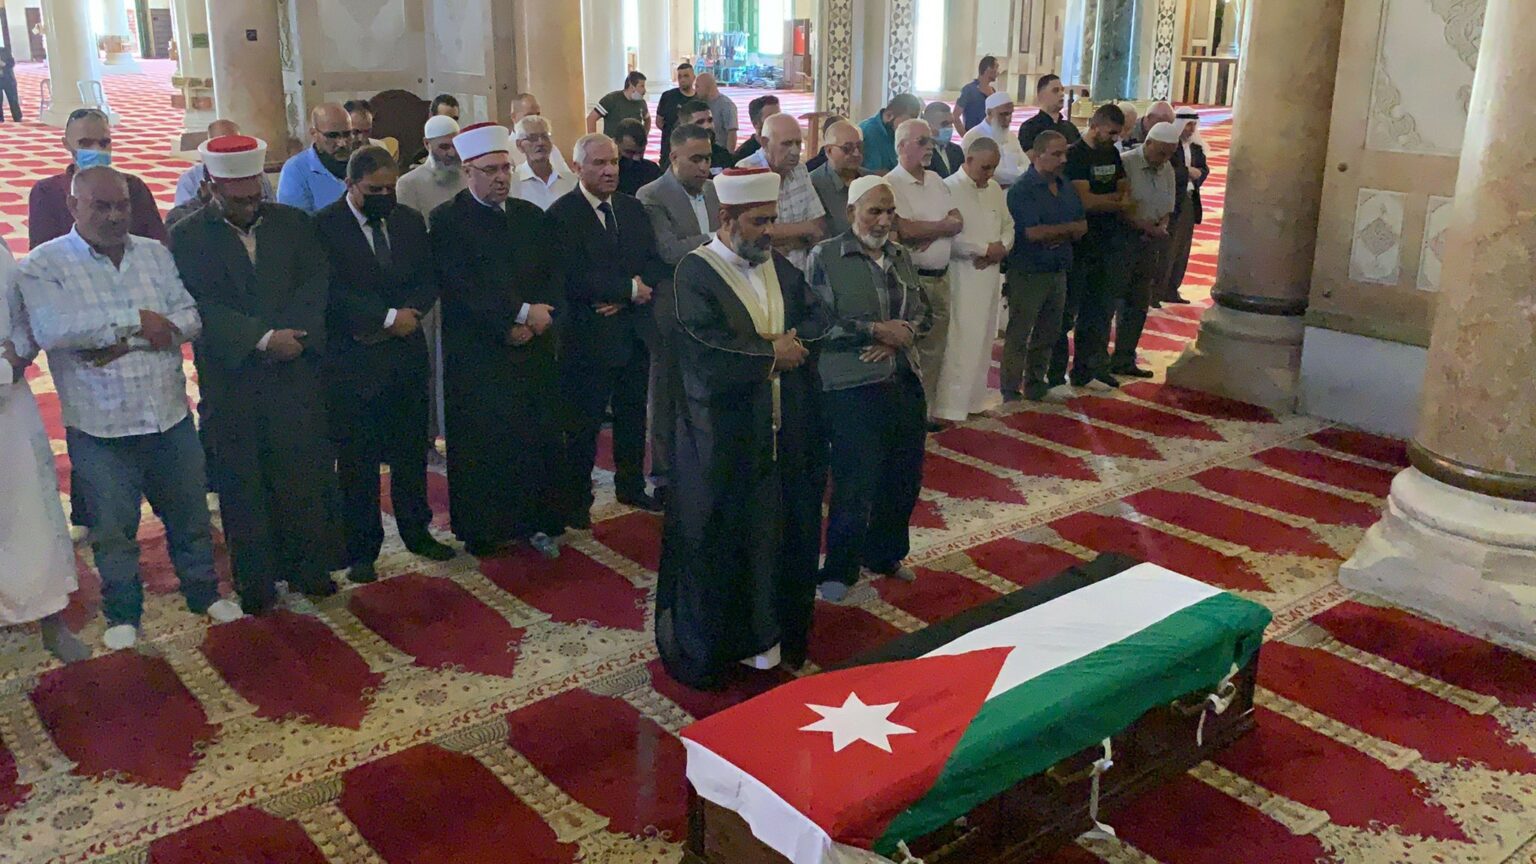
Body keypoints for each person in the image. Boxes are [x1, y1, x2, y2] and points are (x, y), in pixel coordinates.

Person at [19, 167, 237, 650]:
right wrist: (139, 322)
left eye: (122, 205)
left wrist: (116, 341)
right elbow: (56, 330)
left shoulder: (154, 254)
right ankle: (123, 612)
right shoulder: (45, 264)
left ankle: (204, 592)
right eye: (102, 206)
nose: (115, 216)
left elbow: (190, 319)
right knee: (113, 530)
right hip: (101, 426)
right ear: (74, 206)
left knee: (190, 516)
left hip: (168, 414)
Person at [655, 167, 824, 687]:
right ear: (726, 217)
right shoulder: (694, 272)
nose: (770, 232)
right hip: (720, 438)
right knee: (723, 541)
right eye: (759, 222)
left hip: (782, 433)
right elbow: (701, 347)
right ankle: (718, 651)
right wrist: (769, 355)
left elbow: (816, 317)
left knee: (782, 536)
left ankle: (774, 642)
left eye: (772, 220)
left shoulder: (778, 266)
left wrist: (793, 347)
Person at [172, 135, 342, 613]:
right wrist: (264, 338)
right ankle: (257, 580)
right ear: (211, 188)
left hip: (295, 371)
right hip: (234, 378)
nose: (250, 207)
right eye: (239, 200)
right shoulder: (187, 236)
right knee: (243, 482)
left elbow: (315, 282)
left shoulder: (294, 224)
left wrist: (294, 335)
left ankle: (310, 567)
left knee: (302, 473)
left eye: (255, 197)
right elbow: (198, 304)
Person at [315, 147, 456, 584]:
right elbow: (328, 291)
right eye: (374, 190)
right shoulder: (324, 226)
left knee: (410, 452)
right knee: (357, 463)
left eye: (390, 188)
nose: (383, 196)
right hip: (354, 362)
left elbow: (428, 276)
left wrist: (411, 312)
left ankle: (417, 531)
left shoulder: (407, 220)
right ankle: (361, 549)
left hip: (405, 357)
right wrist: (385, 318)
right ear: (350, 185)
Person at [430, 123, 564, 558]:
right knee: (485, 441)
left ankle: (536, 520)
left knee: (533, 435)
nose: (502, 177)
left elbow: (553, 275)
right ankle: (485, 528)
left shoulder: (530, 217)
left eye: (506, 168)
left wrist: (539, 317)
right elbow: (462, 286)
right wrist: (518, 315)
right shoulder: (447, 220)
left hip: (531, 349)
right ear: (468, 172)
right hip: (480, 353)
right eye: (490, 170)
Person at [804, 176, 931, 602]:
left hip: (903, 374)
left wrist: (902, 334)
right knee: (855, 482)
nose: (883, 220)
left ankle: (885, 554)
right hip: (850, 383)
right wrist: (875, 331)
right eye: (874, 211)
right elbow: (817, 323)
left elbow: (924, 313)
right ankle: (839, 569)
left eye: (889, 212)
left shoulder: (900, 255)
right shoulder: (826, 256)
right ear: (851, 212)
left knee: (903, 475)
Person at [548, 133, 670, 523]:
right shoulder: (562, 215)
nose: (609, 170)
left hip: (633, 331)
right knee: (583, 425)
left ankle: (630, 486)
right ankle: (576, 502)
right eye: (599, 163)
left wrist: (631, 294)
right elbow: (569, 276)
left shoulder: (632, 208)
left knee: (633, 416)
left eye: (614, 162)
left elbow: (653, 262)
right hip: (588, 337)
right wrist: (626, 290)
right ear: (577, 167)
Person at [1, 240, 86, 662]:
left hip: (10, 406)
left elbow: (21, 315)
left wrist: (17, 355)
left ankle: (50, 618)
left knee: (32, 509)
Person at [637, 124, 721, 511]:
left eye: (708, 158)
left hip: (714, 305)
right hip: (671, 306)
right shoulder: (653, 195)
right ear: (673, 158)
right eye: (696, 159)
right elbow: (670, 251)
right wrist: (719, 239)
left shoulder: (714, 190)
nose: (704, 167)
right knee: (667, 393)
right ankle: (665, 474)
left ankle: (704, 466)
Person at [396, 114, 464, 460]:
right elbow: (408, 239)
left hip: (463, 288)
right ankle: (425, 438)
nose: (451, 153)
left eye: (455, 146)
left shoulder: (469, 177)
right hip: (428, 290)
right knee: (430, 367)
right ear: (427, 146)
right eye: (443, 147)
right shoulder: (409, 184)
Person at [887, 119, 962, 427]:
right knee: (909, 351)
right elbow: (905, 231)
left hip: (941, 277)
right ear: (901, 146)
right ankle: (903, 417)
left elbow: (958, 220)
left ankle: (924, 413)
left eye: (930, 141)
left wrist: (930, 230)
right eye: (922, 141)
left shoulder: (936, 180)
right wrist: (941, 227)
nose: (930, 146)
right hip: (913, 280)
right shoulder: (892, 184)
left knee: (935, 350)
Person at [1002, 130, 1085, 402]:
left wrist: (1057, 232)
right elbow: (1032, 233)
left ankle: (1036, 383)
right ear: (1037, 156)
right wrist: (1066, 230)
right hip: (1028, 271)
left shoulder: (1064, 185)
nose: (1063, 160)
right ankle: (1010, 389)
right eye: (1056, 154)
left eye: (1065, 153)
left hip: (1058, 268)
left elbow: (1081, 225)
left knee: (1049, 331)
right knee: (1020, 332)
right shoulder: (1022, 189)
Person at [1051, 103, 1129, 391]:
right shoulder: (1076, 155)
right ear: (1095, 126)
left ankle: (1088, 370)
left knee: (1099, 310)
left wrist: (1108, 200)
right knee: (1066, 313)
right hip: (1080, 246)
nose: (1115, 138)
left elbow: (1125, 190)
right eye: (1111, 132)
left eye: (1118, 133)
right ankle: (1055, 375)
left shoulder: (1112, 153)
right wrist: (1114, 201)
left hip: (1107, 243)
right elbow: (1085, 201)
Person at [937, 136, 1014, 420]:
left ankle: (975, 401)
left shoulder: (994, 189)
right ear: (968, 160)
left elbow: (1008, 225)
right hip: (962, 276)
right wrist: (983, 249)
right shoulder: (947, 188)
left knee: (983, 339)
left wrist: (1002, 247)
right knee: (959, 341)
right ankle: (950, 406)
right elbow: (947, 237)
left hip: (989, 276)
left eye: (993, 167)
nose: (990, 174)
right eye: (985, 167)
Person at [29, 108, 168, 249]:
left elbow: (158, 244)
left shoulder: (133, 186)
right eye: (85, 143)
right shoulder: (48, 191)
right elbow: (41, 252)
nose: (96, 149)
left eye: (104, 143)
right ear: (66, 144)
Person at [1112, 122, 1178, 379]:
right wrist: (1145, 227)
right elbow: (1120, 206)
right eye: (1161, 153)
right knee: (1112, 302)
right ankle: (1096, 362)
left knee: (1139, 304)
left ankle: (1125, 358)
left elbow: (1169, 205)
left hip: (1150, 244)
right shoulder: (1126, 163)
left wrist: (1161, 226)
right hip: (1123, 241)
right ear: (1148, 143)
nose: (1164, 159)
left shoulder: (1167, 167)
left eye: (1169, 154)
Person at [739, 113, 827, 272]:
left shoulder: (800, 170)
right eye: (786, 144)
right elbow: (753, 235)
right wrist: (803, 231)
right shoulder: (746, 172)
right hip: (761, 274)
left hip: (800, 274)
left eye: (798, 143)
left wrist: (782, 240)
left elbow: (818, 227)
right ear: (765, 143)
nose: (795, 151)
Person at [1160, 110, 1207, 305]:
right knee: (1168, 247)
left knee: (1182, 248)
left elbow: (1204, 169)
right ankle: (1159, 290)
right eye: (1188, 125)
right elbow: (1166, 168)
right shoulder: (1171, 146)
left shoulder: (1196, 148)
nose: (1191, 129)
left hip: (1189, 199)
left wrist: (1197, 175)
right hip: (1173, 199)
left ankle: (1172, 289)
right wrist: (1186, 172)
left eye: (1194, 125)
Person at [174, 119, 276, 207]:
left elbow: (271, 208)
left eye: (236, 144)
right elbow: (183, 215)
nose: (230, 149)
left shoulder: (259, 176)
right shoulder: (190, 180)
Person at [277, 103, 354, 213]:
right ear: (314, 133)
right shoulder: (295, 169)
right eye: (332, 136)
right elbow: (295, 220)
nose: (342, 143)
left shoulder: (363, 163)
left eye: (347, 134)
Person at [959, 92, 1029, 187]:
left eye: (1010, 114)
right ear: (989, 113)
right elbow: (981, 171)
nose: (1009, 119)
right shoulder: (972, 137)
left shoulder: (1011, 137)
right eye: (1003, 114)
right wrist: (1017, 175)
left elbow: (1026, 164)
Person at [809, 120, 866, 237]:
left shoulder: (870, 180)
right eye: (847, 148)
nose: (856, 153)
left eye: (859, 147)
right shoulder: (813, 184)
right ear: (829, 151)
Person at [511, 114, 578, 210]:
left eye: (545, 136)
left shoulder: (572, 181)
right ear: (519, 145)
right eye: (532, 138)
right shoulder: (513, 184)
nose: (541, 142)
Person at [508, 93, 575, 174]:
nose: (535, 119)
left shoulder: (550, 147)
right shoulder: (507, 150)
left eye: (537, 114)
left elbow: (566, 176)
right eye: (529, 115)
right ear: (514, 117)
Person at [858, 93, 923, 173]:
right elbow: (875, 174)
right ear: (889, 116)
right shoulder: (868, 131)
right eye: (907, 122)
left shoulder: (896, 132)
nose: (910, 126)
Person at [1016, 74, 1083, 152]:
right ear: (1041, 96)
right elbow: (1026, 157)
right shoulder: (1029, 128)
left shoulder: (1070, 128)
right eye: (1055, 90)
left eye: (1062, 90)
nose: (1061, 94)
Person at [677, 99, 737, 173]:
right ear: (685, 127)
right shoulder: (679, 159)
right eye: (700, 122)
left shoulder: (723, 155)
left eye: (710, 120)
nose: (708, 126)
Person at [655, 61, 698, 165]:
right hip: (669, 150)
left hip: (693, 150)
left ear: (693, 77)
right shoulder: (668, 97)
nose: (682, 79)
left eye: (686, 76)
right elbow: (659, 122)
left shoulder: (699, 99)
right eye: (679, 76)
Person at [587, 70, 650, 139]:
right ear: (632, 86)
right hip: (614, 144)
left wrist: (644, 136)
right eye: (642, 86)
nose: (644, 90)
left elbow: (647, 119)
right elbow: (591, 119)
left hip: (634, 144)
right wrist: (593, 141)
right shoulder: (611, 99)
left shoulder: (641, 102)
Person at [615, 117, 663, 196]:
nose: (636, 158)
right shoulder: (607, 173)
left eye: (640, 152)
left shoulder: (652, 171)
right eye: (629, 152)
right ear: (615, 143)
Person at [955, 55, 999, 133]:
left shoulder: (993, 90)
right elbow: (955, 116)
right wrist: (966, 137)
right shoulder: (968, 90)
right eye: (996, 68)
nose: (998, 72)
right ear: (988, 69)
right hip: (974, 135)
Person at [732, 94, 781, 164]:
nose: (778, 121)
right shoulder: (742, 156)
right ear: (755, 124)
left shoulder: (785, 147)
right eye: (771, 118)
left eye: (780, 116)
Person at [695, 73, 738, 150]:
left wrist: (728, 155)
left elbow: (732, 134)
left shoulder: (726, 105)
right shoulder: (700, 103)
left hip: (720, 151)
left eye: (697, 86)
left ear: (707, 86)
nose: (695, 90)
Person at [924, 101, 964, 178]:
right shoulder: (921, 153)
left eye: (951, 123)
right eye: (944, 124)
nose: (950, 128)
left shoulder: (957, 150)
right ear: (929, 125)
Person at [0, 46, 20, 123]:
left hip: (8, 79)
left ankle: (17, 117)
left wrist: (3, 64)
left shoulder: (4, 50)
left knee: (13, 99)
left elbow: (12, 63)